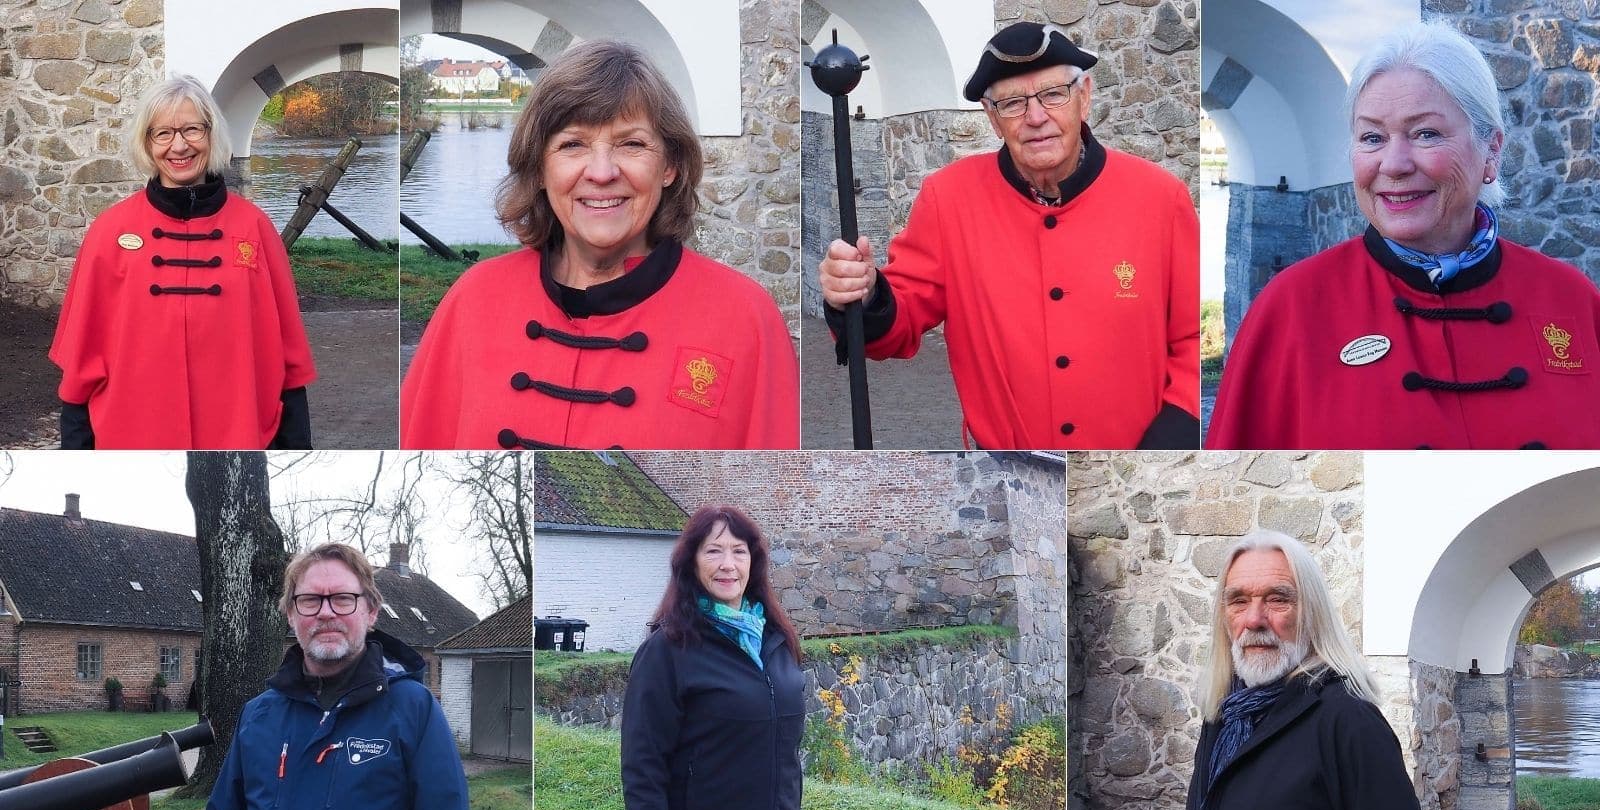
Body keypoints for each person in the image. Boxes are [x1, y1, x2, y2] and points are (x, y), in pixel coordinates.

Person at [1208, 23, 1600, 449]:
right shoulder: (1290, 310)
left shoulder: (1573, 301)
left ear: (1492, 150)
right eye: (1372, 137)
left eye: (1425, 133)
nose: (1393, 164)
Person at [817, 22, 1199, 450]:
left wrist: (1174, 436)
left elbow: (1190, 337)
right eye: (1013, 103)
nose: (1037, 118)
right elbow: (902, 317)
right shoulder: (949, 199)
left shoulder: (1161, 198)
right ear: (993, 119)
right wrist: (864, 294)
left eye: (1054, 94)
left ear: (1085, 97)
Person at [402, 41, 800, 450]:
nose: (602, 172)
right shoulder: (473, 301)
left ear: (669, 166)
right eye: (572, 144)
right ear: (540, 168)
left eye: (632, 144)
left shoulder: (746, 320)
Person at [49, 74, 316, 449]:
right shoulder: (110, 232)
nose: (179, 146)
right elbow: (81, 362)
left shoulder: (254, 228)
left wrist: (295, 447)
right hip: (134, 438)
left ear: (211, 134)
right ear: (147, 142)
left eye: (192, 129)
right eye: (163, 134)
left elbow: (288, 360)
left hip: (237, 437)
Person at [1185, 530, 1448, 810]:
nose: (1255, 619)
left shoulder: (1347, 723)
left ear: (1312, 613)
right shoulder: (1224, 716)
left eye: (1278, 600)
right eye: (1238, 601)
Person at [202, 543, 468, 810]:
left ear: (371, 611)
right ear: (291, 615)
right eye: (310, 600)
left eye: (343, 598)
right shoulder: (258, 716)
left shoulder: (414, 711)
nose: (326, 613)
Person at [621, 506, 808, 810]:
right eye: (713, 551)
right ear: (691, 562)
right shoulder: (667, 650)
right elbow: (643, 767)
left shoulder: (776, 641)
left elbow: (784, 752)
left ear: (753, 561)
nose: (728, 565)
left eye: (739, 551)